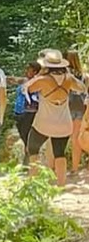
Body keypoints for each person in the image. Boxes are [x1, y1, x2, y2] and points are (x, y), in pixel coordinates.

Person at [25, 50, 86, 187]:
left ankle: (32, 182)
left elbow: (27, 89)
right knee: (60, 153)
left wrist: (40, 74)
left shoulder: (42, 80)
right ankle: (61, 184)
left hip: (43, 123)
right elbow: (82, 88)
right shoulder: (69, 79)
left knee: (33, 148)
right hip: (64, 123)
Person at [12, 60, 41, 167]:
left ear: (35, 71)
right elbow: (14, 80)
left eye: (29, 69)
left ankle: (29, 160)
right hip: (19, 112)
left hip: (29, 113)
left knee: (27, 136)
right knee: (23, 136)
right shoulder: (25, 81)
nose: (26, 71)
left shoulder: (37, 82)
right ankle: (27, 157)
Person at [67, 51, 86, 174]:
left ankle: (56, 167)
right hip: (80, 108)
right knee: (75, 139)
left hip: (67, 108)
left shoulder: (65, 75)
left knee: (61, 138)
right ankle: (75, 168)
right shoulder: (85, 76)